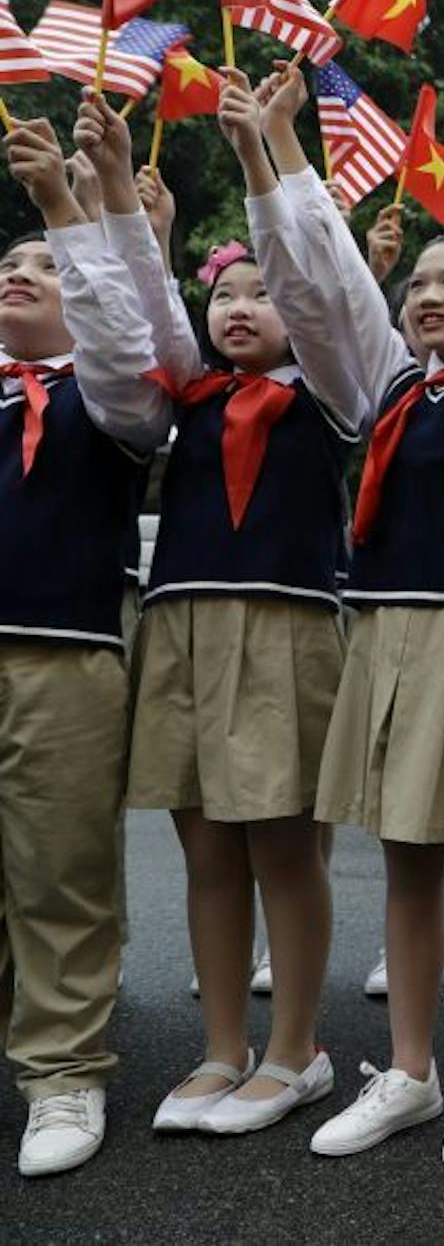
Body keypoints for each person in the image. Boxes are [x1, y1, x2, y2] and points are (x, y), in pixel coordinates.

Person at [234, 61, 444, 1166]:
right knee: (410, 858)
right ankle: (411, 1069)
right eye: (417, 281)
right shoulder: (383, 384)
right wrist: (268, 153)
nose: (426, 295)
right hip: (386, 633)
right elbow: (317, 278)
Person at [112, 88, 344, 1136]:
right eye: (227, 295)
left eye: (264, 292)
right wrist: (130, 208)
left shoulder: (333, 390)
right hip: (184, 626)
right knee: (206, 847)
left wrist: (259, 155)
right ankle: (220, 1046)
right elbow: (149, 311)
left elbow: (318, 281)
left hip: (283, 624)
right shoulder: (187, 396)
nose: (242, 306)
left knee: (282, 847)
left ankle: (296, 1049)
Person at [1, 113, 171, 1176]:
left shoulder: (108, 394)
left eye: (45, 268)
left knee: (58, 867)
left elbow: (123, 341)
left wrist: (69, 213)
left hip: (62, 652)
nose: (23, 271)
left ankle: (63, 1069)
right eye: (11, 262)